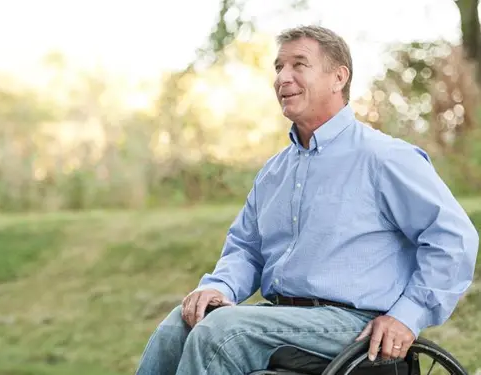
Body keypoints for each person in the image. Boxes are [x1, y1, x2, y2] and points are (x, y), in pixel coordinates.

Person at [134, 25, 479, 375]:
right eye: (279, 67)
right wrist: (218, 287)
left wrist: (408, 316)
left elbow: (452, 237)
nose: (283, 77)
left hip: (352, 322)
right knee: (182, 322)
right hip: (283, 317)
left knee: (220, 332)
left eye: (299, 65)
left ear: (338, 77)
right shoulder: (274, 172)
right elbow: (246, 249)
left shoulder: (385, 159)